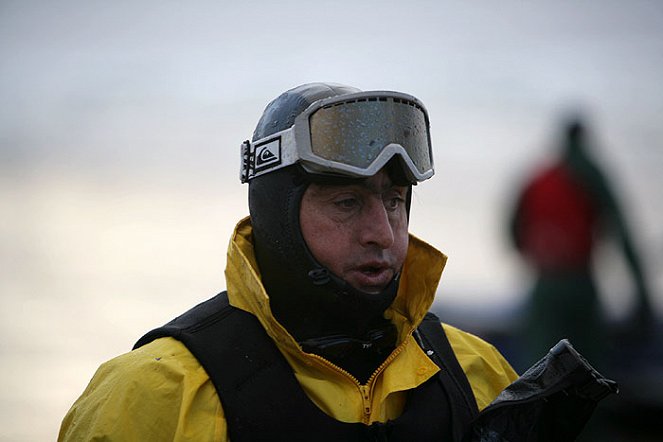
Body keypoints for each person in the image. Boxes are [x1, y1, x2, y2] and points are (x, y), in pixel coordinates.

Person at [59, 83, 519, 441]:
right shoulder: (155, 395)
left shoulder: (475, 373)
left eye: (395, 201)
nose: (382, 232)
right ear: (278, 216)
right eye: (346, 203)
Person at [508, 117, 653, 367]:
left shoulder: (537, 179)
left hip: (545, 287)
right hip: (579, 286)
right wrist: (642, 295)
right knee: (588, 369)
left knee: (540, 366)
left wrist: (536, 258)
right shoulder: (590, 174)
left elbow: (512, 228)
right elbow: (622, 231)